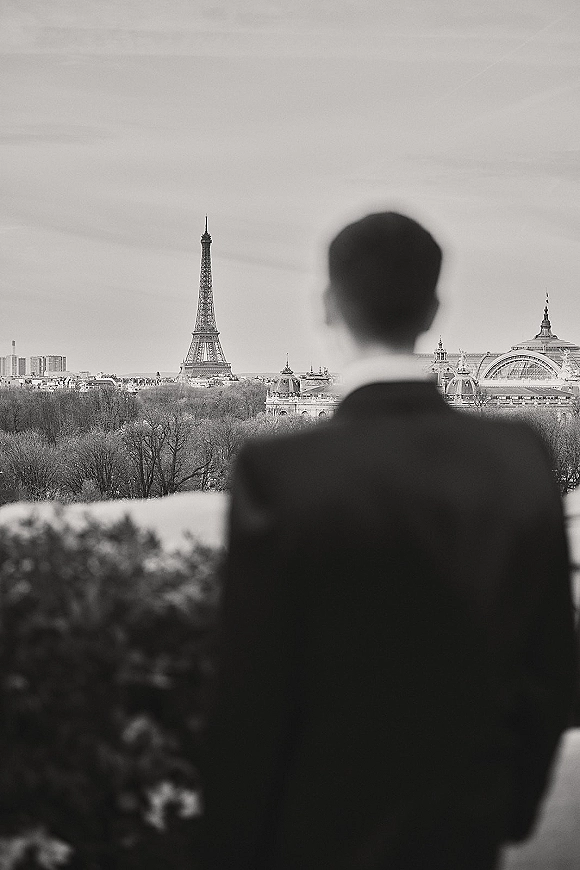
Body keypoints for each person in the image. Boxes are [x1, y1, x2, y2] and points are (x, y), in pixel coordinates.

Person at [202, 211, 576, 870]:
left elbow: (250, 694)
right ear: (434, 309)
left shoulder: (279, 470)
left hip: (317, 827)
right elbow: (550, 668)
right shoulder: (520, 457)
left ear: (328, 306)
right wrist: (505, 806)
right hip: (465, 824)